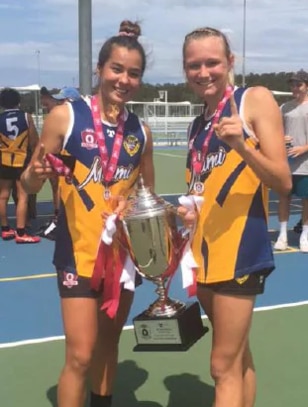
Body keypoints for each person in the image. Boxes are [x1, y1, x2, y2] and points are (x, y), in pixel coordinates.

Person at [21, 20, 154, 407]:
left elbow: (147, 195)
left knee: (109, 345)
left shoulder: (141, 132)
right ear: (99, 69)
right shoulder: (66, 115)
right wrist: (34, 175)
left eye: (133, 73)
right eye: (116, 69)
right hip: (78, 255)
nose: (123, 79)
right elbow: (30, 183)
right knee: (80, 354)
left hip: (122, 258)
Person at [181, 27, 291, 407]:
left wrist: (242, 146)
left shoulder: (253, 100)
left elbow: (283, 181)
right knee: (238, 357)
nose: (203, 71)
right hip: (205, 257)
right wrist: (187, 211)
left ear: (230, 62)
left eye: (212, 62)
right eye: (194, 65)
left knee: (220, 366)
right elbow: (203, 190)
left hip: (242, 251)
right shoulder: (198, 124)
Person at [37, 86, 81, 240]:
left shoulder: (75, 122)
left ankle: (59, 222)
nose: (58, 103)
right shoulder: (62, 119)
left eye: (61, 100)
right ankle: (58, 219)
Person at [0, 87, 40, 243]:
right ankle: (21, 232)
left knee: (2, 196)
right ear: (18, 101)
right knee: (22, 196)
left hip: (3, 161)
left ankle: (5, 229)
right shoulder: (26, 117)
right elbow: (34, 141)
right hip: (22, 161)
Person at [274, 70, 308, 252]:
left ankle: (305, 236)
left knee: (306, 200)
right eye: (292, 84)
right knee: (283, 198)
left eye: (298, 84)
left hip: (306, 164)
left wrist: (304, 148)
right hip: (285, 163)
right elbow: (275, 130)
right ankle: (282, 235)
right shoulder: (285, 108)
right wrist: (281, 137)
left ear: (306, 86)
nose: (294, 88)